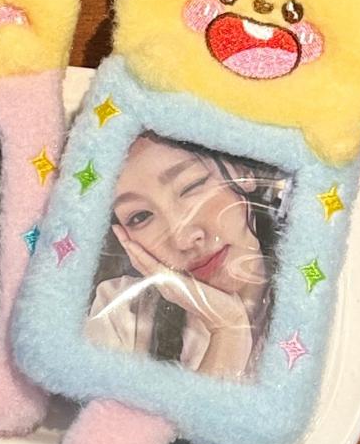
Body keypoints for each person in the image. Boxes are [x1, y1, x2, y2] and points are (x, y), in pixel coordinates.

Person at [85, 132, 286, 379]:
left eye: (191, 185)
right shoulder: (121, 315)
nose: (183, 240)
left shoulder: (318, 302)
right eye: (140, 217)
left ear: (241, 170)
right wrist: (228, 330)